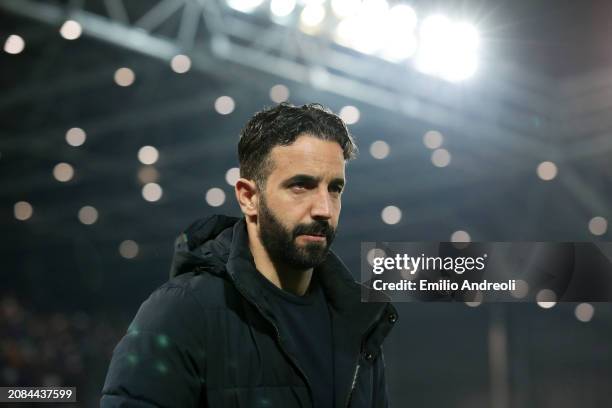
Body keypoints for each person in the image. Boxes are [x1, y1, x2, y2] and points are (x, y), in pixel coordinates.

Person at [100, 103, 398, 407]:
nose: (324, 209)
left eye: (334, 189)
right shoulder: (181, 312)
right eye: (301, 186)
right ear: (248, 197)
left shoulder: (359, 322)